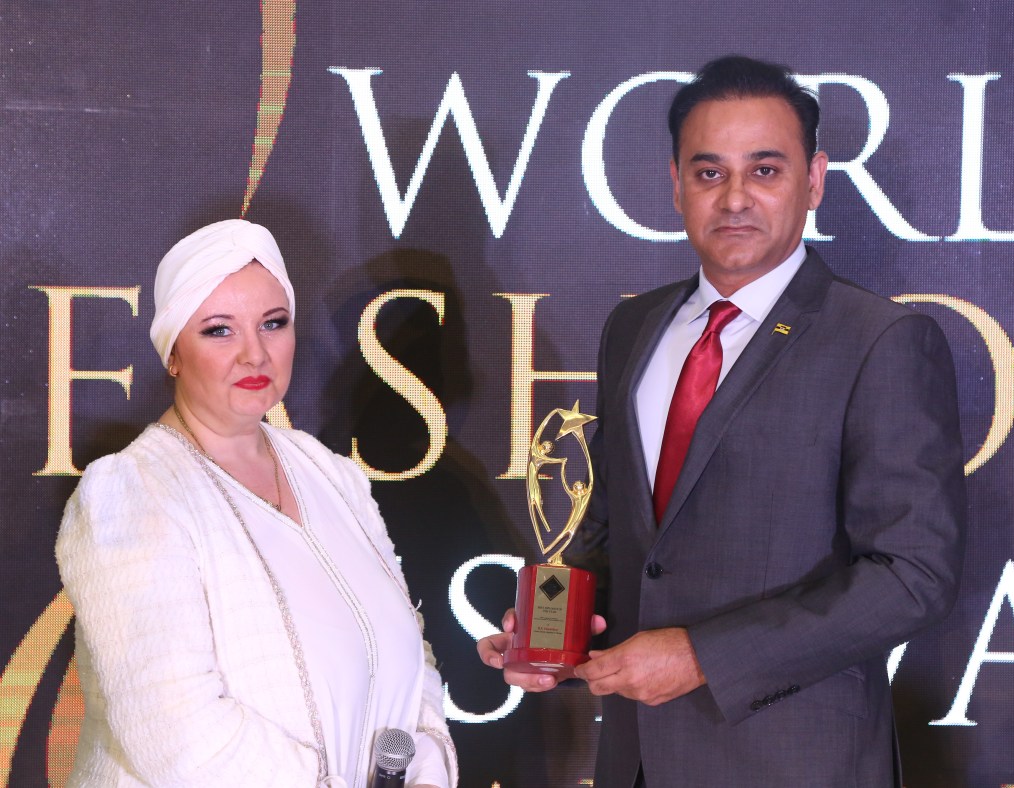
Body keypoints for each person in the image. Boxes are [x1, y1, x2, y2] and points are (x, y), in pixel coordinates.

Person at [478, 55, 966, 786]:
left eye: (765, 170)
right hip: (636, 761)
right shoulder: (633, 327)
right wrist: (551, 629)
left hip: (795, 766)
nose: (735, 198)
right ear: (676, 184)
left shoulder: (880, 341)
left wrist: (703, 656)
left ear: (814, 181)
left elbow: (913, 576)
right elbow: (618, 532)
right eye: (709, 173)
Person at [57, 219, 457, 788]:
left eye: (273, 323)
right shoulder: (133, 492)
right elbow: (177, 737)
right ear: (173, 353)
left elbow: (410, 655)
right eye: (219, 330)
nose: (254, 354)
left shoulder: (329, 473)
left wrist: (425, 771)